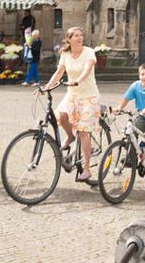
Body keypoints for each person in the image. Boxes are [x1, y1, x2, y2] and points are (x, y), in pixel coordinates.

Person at [44, 26, 100, 182]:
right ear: (68, 39)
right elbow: (59, 72)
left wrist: (78, 80)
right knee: (61, 116)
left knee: (83, 131)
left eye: (81, 35)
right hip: (73, 94)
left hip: (89, 96)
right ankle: (70, 137)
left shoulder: (89, 52)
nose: (80, 37)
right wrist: (46, 87)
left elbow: (87, 69)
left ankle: (87, 169)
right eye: (76, 35)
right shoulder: (65, 54)